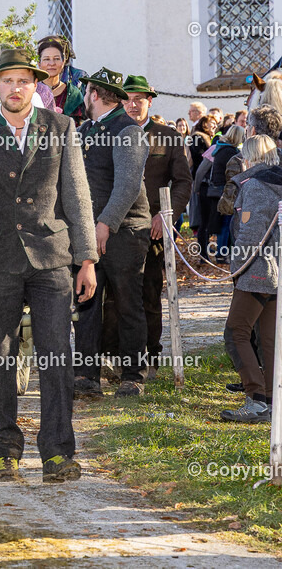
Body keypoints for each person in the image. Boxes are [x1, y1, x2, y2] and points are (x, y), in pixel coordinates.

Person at [0, 48, 97, 483]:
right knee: (1, 357)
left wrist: (87, 260)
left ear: (35, 85)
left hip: (52, 260)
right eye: (6, 81)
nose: (15, 88)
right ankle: (6, 447)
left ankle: (58, 452)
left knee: (56, 357)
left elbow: (78, 199)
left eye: (22, 81)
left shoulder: (63, 128)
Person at [101, 76, 192, 382]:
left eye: (140, 98)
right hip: (112, 227)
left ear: (150, 101)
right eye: (127, 98)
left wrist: (166, 215)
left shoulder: (167, 136)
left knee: (148, 296)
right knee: (111, 298)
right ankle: (113, 357)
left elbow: (183, 182)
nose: (133, 103)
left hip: (151, 229)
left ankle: (150, 357)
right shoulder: (110, 133)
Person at [72, 67, 150, 398]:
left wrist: (105, 224)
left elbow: (128, 184)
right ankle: (87, 377)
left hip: (125, 230)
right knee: (86, 302)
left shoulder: (127, 130)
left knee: (127, 302)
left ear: (95, 95)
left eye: (86, 91)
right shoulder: (87, 129)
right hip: (90, 230)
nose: (83, 97)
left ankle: (133, 375)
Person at [221, 153, 282, 423]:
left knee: (236, 332)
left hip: (258, 270)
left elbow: (250, 234)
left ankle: (256, 399)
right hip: (275, 270)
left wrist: (236, 266)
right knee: (268, 339)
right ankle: (270, 399)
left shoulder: (257, 186)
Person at [219, 106, 282, 218]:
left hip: (249, 226)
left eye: (247, 125)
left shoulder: (239, 161)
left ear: (252, 130)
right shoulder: (279, 156)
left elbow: (227, 206)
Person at [207, 125, 244, 261]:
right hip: (225, 190)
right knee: (226, 222)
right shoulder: (229, 151)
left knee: (222, 222)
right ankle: (221, 254)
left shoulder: (221, 148)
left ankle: (221, 252)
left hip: (218, 189)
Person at [36, 36, 85, 124]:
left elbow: (79, 125)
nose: (51, 64)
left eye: (56, 59)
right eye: (46, 59)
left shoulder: (73, 94)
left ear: (63, 62)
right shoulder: (32, 91)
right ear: (39, 64)